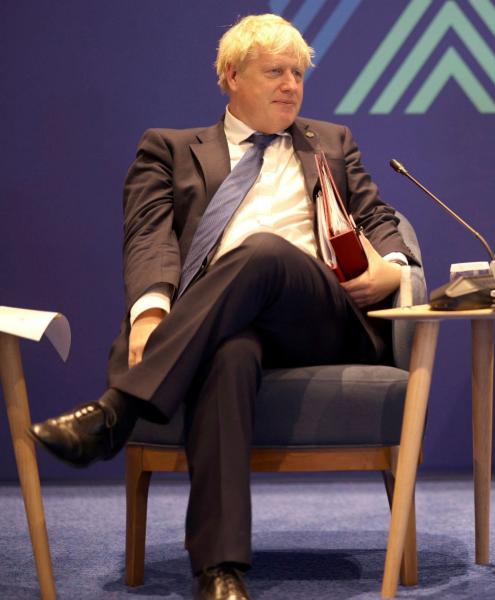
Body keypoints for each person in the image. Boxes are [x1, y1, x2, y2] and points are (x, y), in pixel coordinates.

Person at [30, 14, 416, 600]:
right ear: (231, 76)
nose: (291, 85)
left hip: (320, 314)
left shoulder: (330, 143)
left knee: (262, 251)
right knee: (227, 355)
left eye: (298, 73)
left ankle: (118, 410)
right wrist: (153, 311)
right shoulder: (170, 149)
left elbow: (382, 221)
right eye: (275, 72)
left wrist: (394, 268)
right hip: (219, 319)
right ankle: (218, 570)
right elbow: (149, 237)